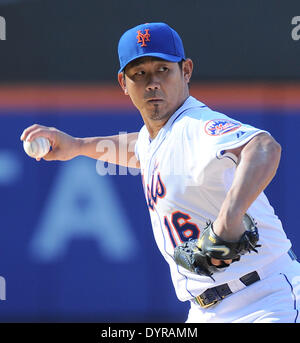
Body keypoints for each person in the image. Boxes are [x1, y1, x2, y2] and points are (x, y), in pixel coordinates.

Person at [20, 22, 300, 323]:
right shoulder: (158, 136)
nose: (152, 82)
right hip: (206, 311)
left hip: (267, 299)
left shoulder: (196, 125)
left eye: (162, 69)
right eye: (139, 73)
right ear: (123, 83)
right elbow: (141, 148)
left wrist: (229, 217)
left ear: (186, 70)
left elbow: (264, 146)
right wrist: (77, 145)